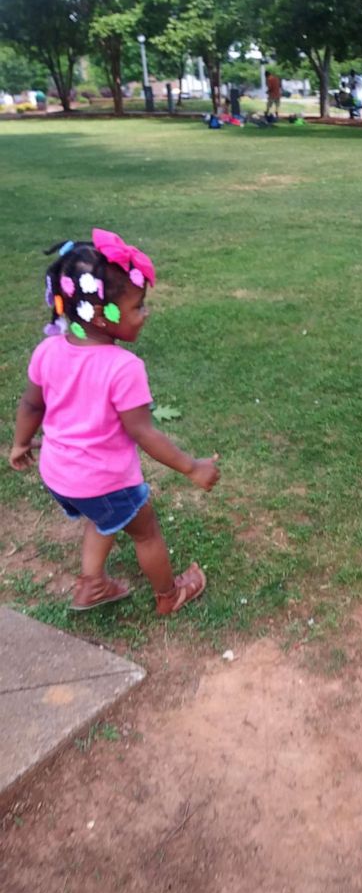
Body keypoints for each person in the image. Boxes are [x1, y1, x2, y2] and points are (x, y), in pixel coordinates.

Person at [9, 230, 220, 614]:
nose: (145, 313)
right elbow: (143, 432)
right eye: (138, 306)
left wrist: (20, 443)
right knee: (146, 531)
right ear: (102, 316)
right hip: (103, 480)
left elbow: (31, 405)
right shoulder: (123, 368)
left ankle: (93, 586)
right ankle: (168, 596)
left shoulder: (48, 350)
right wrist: (193, 467)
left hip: (59, 475)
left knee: (101, 517)